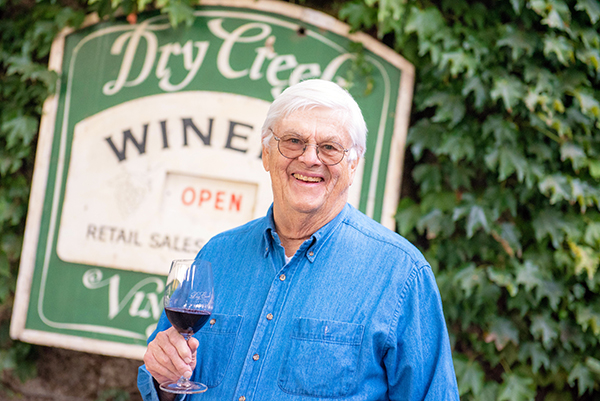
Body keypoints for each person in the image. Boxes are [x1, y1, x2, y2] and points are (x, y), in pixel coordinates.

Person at [137, 79, 459, 401]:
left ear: (353, 164)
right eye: (293, 141)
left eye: (329, 148)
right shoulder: (217, 255)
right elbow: (166, 378)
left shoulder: (401, 274)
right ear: (266, 153)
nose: (310, 158)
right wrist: (163, 378)